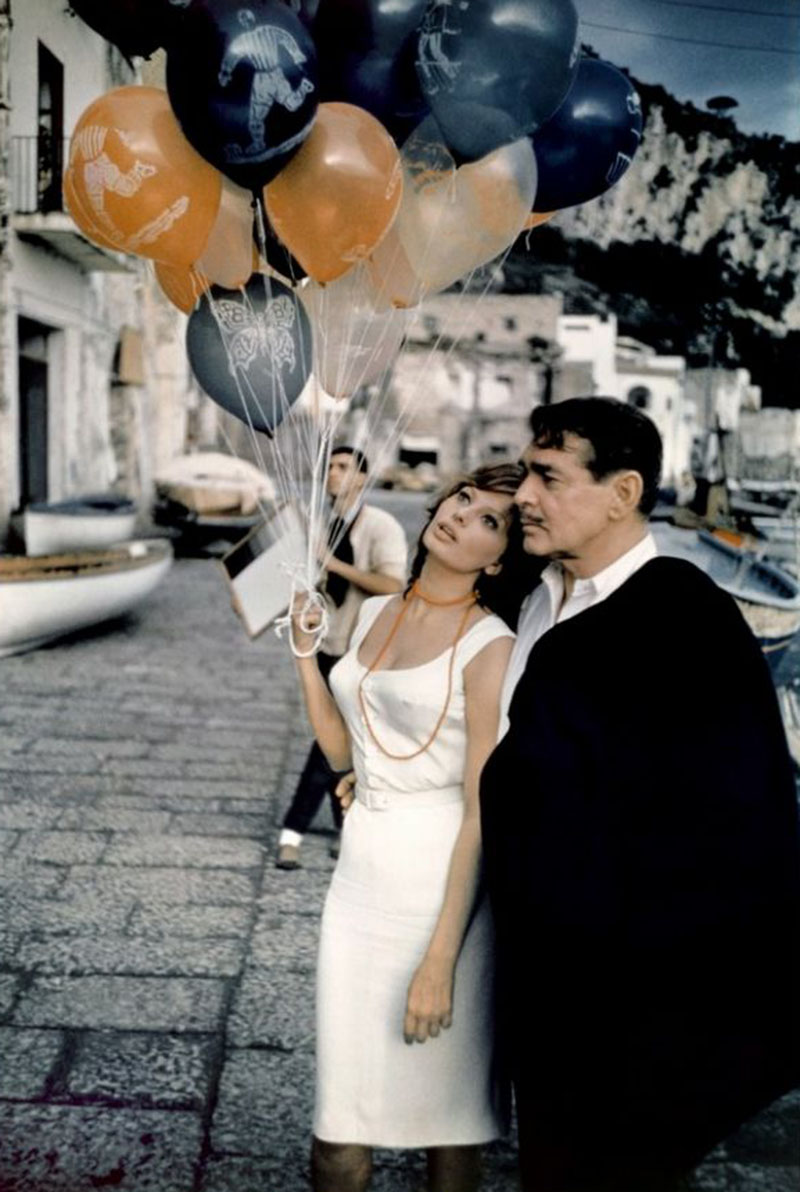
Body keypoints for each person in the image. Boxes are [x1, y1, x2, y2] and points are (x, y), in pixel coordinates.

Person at [480, 397, 800, 1192]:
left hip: (633, 1007)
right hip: (541, 982)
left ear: (622, 493)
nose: (524, 495)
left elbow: (735, 827)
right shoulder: (530, 595)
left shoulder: (687, 623)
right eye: (525, 474)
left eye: (549, 477)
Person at [290, 463, 530, 1192]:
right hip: (360, 876)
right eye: (464, 497)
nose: (460, 515)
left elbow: (481, 809)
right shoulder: (372, 612)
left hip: (443, 886)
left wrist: (439, 961)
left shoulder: (491, 647)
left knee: (448, 1124)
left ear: (499, 559)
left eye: (489, 520)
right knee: (339, 1126)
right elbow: (343, 753)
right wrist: (303, 656)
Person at [275, 446, 407, 870]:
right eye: (330, 466)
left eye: (344, 467)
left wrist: (332, 563)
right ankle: (344, 824)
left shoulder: (381, 526)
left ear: (363, 477)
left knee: (328, 739)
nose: (333, 473)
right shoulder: (317, 525)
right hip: (326, 645)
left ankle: (292, 830)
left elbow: (393, 585)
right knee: (334, 738)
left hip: (363, 649)